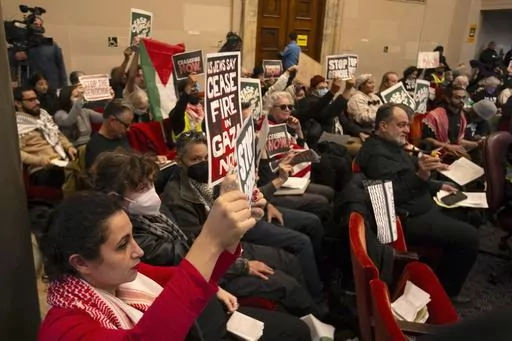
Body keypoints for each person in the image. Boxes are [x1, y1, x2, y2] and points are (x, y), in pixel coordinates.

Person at [88, 151, 311, 340]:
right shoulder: (136, 230)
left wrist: (235, 225)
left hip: (208, 287)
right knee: (288, 297)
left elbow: (183, 267)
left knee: (289, 266)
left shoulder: (152, 214)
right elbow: (185, 260)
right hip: (203, 309)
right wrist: (223, 231)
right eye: (141, 188)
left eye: (151, 185)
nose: (137, 251)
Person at [37, 187, 284, 340]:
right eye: (123, 244)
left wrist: (232, 233)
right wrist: (209, 239)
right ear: (81, 263)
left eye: (133, 236)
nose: (139, 250)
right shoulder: (63, 329)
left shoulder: (119, 275)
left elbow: (188, 281)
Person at [163, 131, 329, 317]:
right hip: (223, 254)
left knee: (292, 258)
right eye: (195, 159)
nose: (204, 163)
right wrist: (243, 265)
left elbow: (248, 196)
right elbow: (199, 247)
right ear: (179, 161)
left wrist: (264, 202)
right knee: (289, 271)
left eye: (207, 157)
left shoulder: (216, 174)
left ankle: (318, 304)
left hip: (238, 231)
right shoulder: (177, 197)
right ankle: (318, 314)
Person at [357, 103, 479, 301]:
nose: (407, 130)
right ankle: (444, 294)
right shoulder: (376, 154)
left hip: (422, 204)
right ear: (383, 126)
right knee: (470, 236)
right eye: (401, 125)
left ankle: (437, 274)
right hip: (406, 218)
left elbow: (409, 176)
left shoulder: (393, 146)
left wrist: (437, 186)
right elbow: (388, 195)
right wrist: (422, 175)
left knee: (471, 214)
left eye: (407, 125)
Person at [15, 86, 76, 188]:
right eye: (31, 100)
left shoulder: (43, 115)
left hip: (61, 159)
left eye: (36, 98)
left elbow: (57, 133)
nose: (37, 102)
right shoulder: (17, 125)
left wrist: (69, 147)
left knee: (84, 153)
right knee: (62, 174)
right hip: (41, 168)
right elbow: (18, 153)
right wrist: (41, 160)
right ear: (18, 103)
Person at [8, 16, 67, 89]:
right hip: (30, 89)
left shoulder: (50, 43)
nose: (38, 28)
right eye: (35, 24)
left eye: (40, 25)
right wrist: (15, 56)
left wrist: (64, 86)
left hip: (52, 87)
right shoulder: (20, 44)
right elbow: (6, 60)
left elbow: (61, 65)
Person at [422, 86, 474, 159]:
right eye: (457, 98)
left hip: (455, 151)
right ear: (448, 99)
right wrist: (448, 146)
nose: (461, 101)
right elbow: (426, 139)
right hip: (438, 153)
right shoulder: (435, 115)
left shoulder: (462, 115)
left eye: (463, 98)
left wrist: (477, 144)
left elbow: (458, 140)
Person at [84, 99, 133, 169]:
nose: (128, 129)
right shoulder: (95, 147)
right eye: (126, 125)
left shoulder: (122, 136)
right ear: (112, 121)